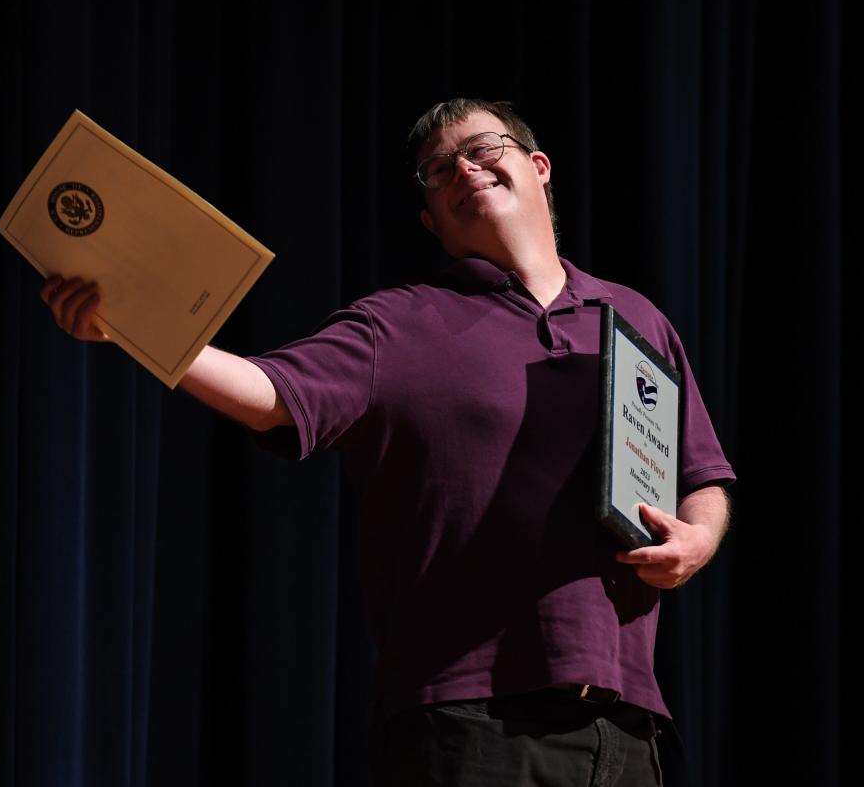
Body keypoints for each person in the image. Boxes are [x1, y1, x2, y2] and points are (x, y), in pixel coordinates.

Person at [42, 98, 734, 786]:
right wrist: (135, 326)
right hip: (471, 720)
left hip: (629, 726)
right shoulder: (398, 325)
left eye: (483, 148)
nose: (463, 167)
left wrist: (698, 540)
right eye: (438, 168)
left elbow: (699, 471)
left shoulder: (635, 318)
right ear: (431, 219)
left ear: (538, 166)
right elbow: (270, 394)